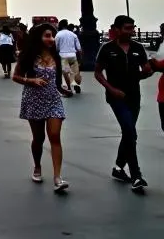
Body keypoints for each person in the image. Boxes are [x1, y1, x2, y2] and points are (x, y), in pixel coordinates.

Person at [95, 15, 152, 193]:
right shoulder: (107, 49)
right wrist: (110, 89)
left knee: (129, 133)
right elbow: (97, 73)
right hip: (116, 97)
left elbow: (145, 70)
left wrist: (146, 73)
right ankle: (136, 175)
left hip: (134, 96)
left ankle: (119, 167)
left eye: (132, 28)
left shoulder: (138, 48)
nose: (131, 31)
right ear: (117, 29)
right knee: (129, 131)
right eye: (127, 28)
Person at [13, 23, 71, 193]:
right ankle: (37, 166)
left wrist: (64, 89)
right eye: (47, 35)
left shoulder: (56, 57)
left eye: (53, 35)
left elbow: (57, 79)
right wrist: (31, 81)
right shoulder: (28, 56)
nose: (51, 39)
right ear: (38, 37)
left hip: (53, 100)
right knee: (38, 139)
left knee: (55, 136)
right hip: (34, 100)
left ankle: (57, 178)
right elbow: (15, 76)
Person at [55, 20, 82, 95]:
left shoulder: (58, 35)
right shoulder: (73, 34)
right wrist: (81, 58)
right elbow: (79, 48)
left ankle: (69, 88)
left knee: (65, 72)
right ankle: (77, 85)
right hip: (73, 55)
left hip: (63, 56)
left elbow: (56, 47)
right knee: (75, 72)